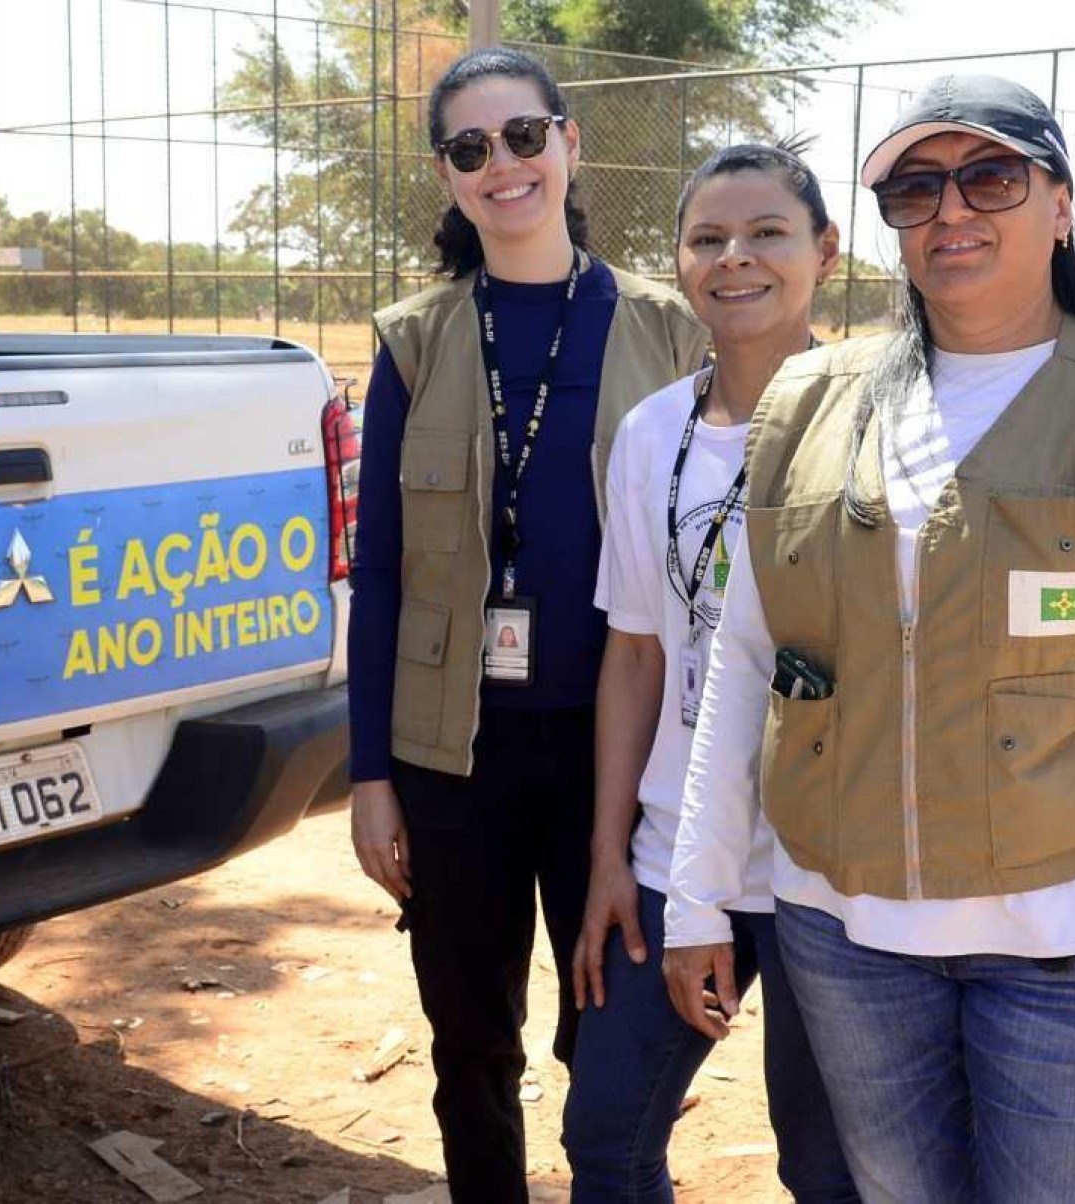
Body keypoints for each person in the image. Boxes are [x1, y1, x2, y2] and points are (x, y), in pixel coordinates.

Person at [664, 74, 1075, 1203]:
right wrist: (698, 898)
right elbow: (751, 663)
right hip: (850, 939)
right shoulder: (807, 400)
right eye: (916, 188)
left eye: (991, 177)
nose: (953, 212)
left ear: (1059, 204)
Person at [346, 47, 708, 1204]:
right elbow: (384, 569)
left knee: (607, 1039)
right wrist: (369, 777)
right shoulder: (413, 340)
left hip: (620, 751)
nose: (502, 165)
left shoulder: (667, 331)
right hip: (452, 753)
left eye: (523, 136)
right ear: (447, 175)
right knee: (470, 1044)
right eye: (469, 148)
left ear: (569, 144)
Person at [559, 141, 858, 1203]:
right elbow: (636, 651)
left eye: (769, 232)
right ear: (681, 262)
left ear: (826, 250)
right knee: (605, 1135)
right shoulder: (651, 434)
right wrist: (609, 855)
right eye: (708, 238)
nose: (737, 258)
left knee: (825, 1166)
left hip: (833, 871)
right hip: (676, 854)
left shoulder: (880, 424)